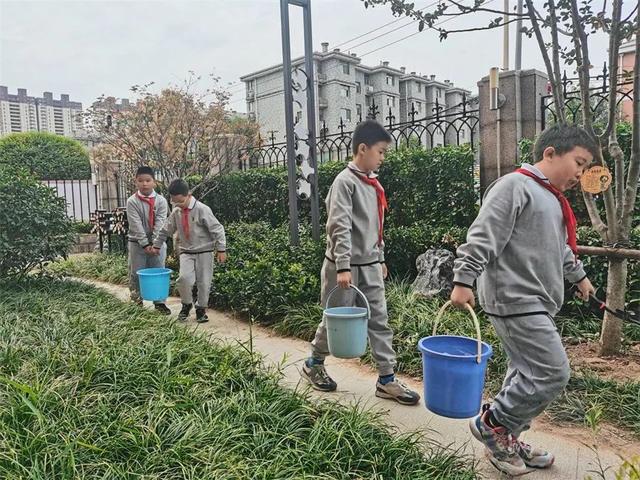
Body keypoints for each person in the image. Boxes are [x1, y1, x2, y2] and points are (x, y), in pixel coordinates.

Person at [450, 123, 597, 475]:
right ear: (550, 153)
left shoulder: (550, 198)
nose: (581, 173)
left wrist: (580, 277)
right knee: (552, 373)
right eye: (578, 162)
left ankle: (508, 436)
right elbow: (483, 235)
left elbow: (559, 248)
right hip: (514, 298)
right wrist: (463, 278)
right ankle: (494, 425)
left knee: (525, 373)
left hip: (538, 301)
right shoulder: (514, 186)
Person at [301, 120, 420, 406]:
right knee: (336, 319)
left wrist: (379, 257)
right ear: (362, 149)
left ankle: (387, 379)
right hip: (345, 268)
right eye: (380, 151)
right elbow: (339, 226)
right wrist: (343, 266)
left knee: (379, 319)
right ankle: (314, 362)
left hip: (369, 265)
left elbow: (376, 226)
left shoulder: (372, 184)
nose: (382, 157)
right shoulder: (345, 182)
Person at [153, 179, 226, 323]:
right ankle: (186, 304)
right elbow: (165, 229)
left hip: (205, 251)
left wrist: (221, 249)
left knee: (204, 282)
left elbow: (217, 229)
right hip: (186, 251)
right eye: (174, 202)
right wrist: (157, 244)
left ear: (188, 195)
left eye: (180, 201)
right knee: (184, 279)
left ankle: (201, 309)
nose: (178, 205)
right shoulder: (176, 212)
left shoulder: (202, 209)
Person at [126, 166, 170, 314]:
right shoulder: (132, 201)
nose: (144, 184)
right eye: (141, 181)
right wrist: (145, 244)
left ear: (154, 182)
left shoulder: (161, 201)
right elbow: (135, 224)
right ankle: (136, 299)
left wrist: (156, 244)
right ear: (136, 182)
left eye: (148, 180)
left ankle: (160, 302)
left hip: (158, 244)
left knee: (158, 271)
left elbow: (161, 222)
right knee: (136, 272)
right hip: (137, 244)